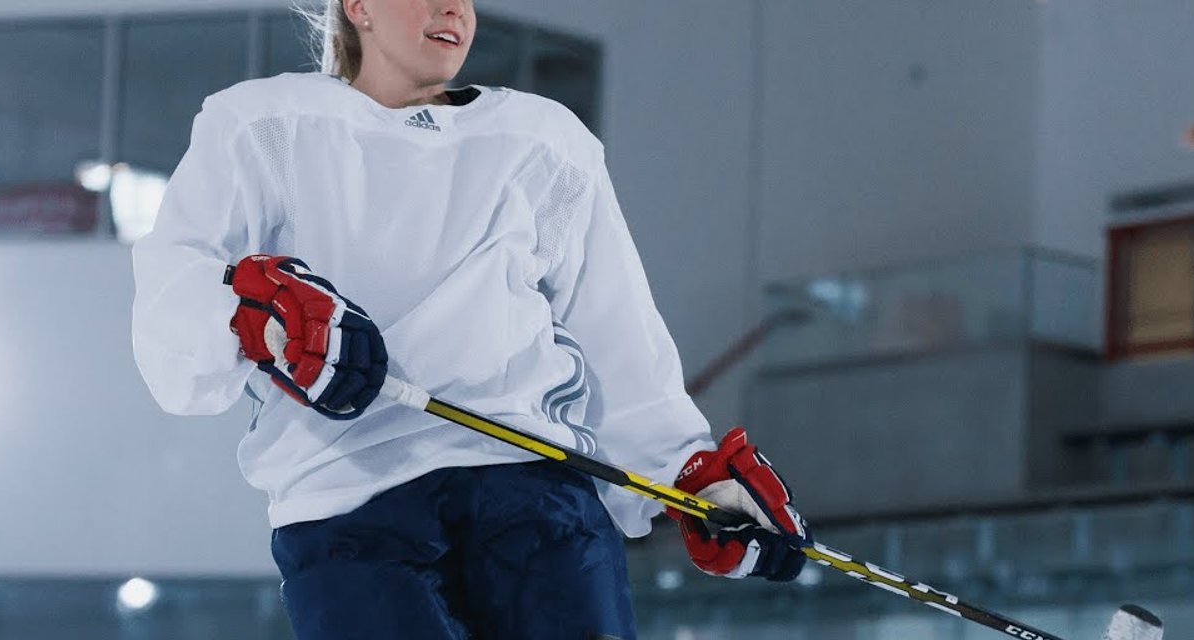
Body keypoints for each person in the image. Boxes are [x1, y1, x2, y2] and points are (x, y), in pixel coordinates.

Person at [129, 0, 812, 638]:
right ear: (358, 6)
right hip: (346, 507)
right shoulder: (261, 126)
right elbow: (174, 296)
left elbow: (617, 335)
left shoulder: (543, 141)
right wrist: (261, 321)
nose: (454, 8)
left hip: (533, 489)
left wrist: (690, 474)